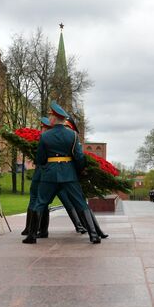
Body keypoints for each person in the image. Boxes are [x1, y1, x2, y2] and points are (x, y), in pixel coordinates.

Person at [22, 101, 100, 244]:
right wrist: (77, 170)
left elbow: (40, 158)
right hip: (68, 173)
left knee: (40, 203)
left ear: (53, 119)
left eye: (50, 116)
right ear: (63, 119)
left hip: (50, 174)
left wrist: (47, 166)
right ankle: (93, 235)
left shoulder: (45, 136)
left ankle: (32, 236)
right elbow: (79, 157)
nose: (49, 118)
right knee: (80, 203)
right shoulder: (73, 135)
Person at [21, 117, 87, 238]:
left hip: (49, 175)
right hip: (47, 174)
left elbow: (41, 158)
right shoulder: (47, 137)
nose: (42, 129)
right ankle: (32, 229)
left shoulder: (47, 138)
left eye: (44, 127)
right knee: (40, 201)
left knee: (47, 201)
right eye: (42, 127)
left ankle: (79, 225)